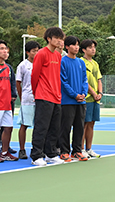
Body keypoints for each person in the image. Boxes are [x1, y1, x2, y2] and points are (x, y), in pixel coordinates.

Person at [30, 27, 65, 166]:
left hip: (56, 97)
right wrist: (36, 92)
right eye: (56, 38)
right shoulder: (41, 54)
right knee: (41, 127)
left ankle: (51, 154)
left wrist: (58, 93)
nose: (58, 40)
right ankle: (36, 155)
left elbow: (57, 77)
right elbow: (34, 75)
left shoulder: (57, 55)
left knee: (55, 127)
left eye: (60, 38)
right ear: (48, 39)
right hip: (43, 96)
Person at [60, 36, 89, 162]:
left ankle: (77, 151)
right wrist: (74, 95)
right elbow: (63, 82)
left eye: (77, 45)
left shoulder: (81, 62)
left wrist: (83, 94)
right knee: (65, 127)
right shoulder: (63, 61)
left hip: (81, 101)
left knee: (79, 127)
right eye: (73, 45)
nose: (76, 47)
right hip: (67, 101)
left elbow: (84, 80)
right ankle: (64, 151)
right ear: (67, 47)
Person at [15, 40, 40, 160]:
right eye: (33, 51)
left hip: (40, 98)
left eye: (37, 50)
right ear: (27, 52)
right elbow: (18, 83)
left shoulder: (40, 63)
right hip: (27, 99)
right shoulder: (23, 65)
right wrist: (22, 97)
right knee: (24, 125)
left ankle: (37, 149)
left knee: (39, 126)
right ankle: (22, 149)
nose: (36, 53)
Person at [81, 39, 103, 158]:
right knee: (84, 124)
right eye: (90, 47)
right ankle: (81, 149)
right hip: (87, 98)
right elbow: (84, 81)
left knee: (91, 123)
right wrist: (93, 93)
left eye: (94, 47)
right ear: (84, 50)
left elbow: (99, 79)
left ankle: (89, 149)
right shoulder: (81, 62)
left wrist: (100, 93)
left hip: (96, 99)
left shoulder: (95, 63)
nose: (93, 49)